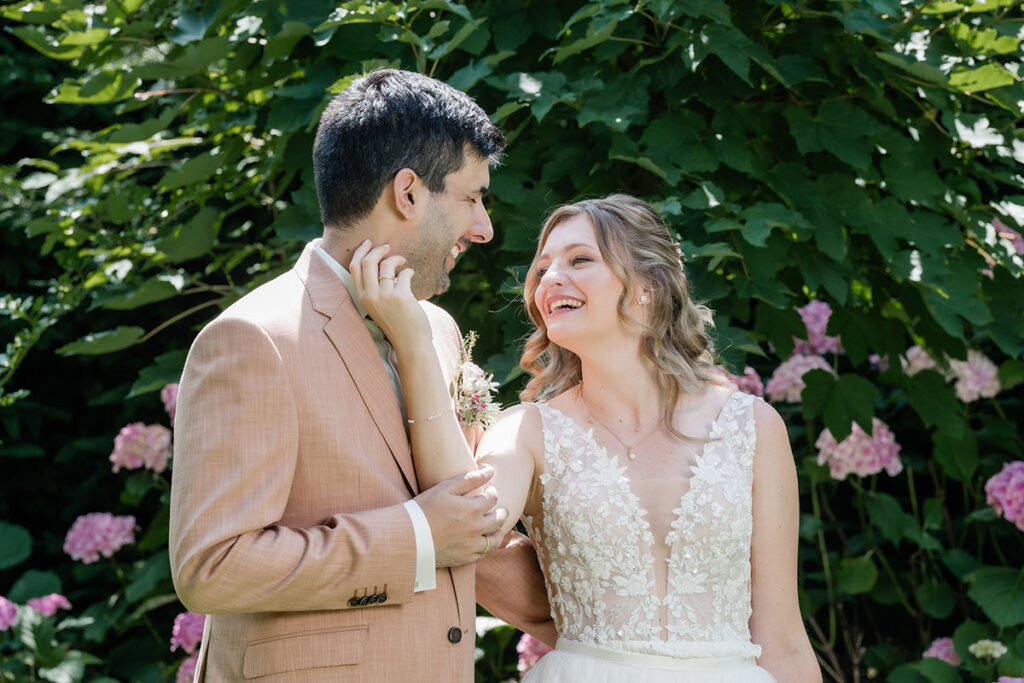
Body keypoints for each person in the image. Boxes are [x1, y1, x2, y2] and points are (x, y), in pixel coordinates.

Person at [168, 68, 553, 682]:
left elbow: (471, 527)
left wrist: (617, 630)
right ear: (408, 193)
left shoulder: (438, 331)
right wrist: (417, 537)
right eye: (472, 197)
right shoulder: (252, 340)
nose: (483, 227)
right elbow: (212, 565)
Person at [352, 194, 822, 682]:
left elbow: (784, 641)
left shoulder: (752, 427)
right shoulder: (529, 429)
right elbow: (468, 521)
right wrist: (414, 345)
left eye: (580, 260)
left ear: (648, 286)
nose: (550, 278)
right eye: (542, 268)